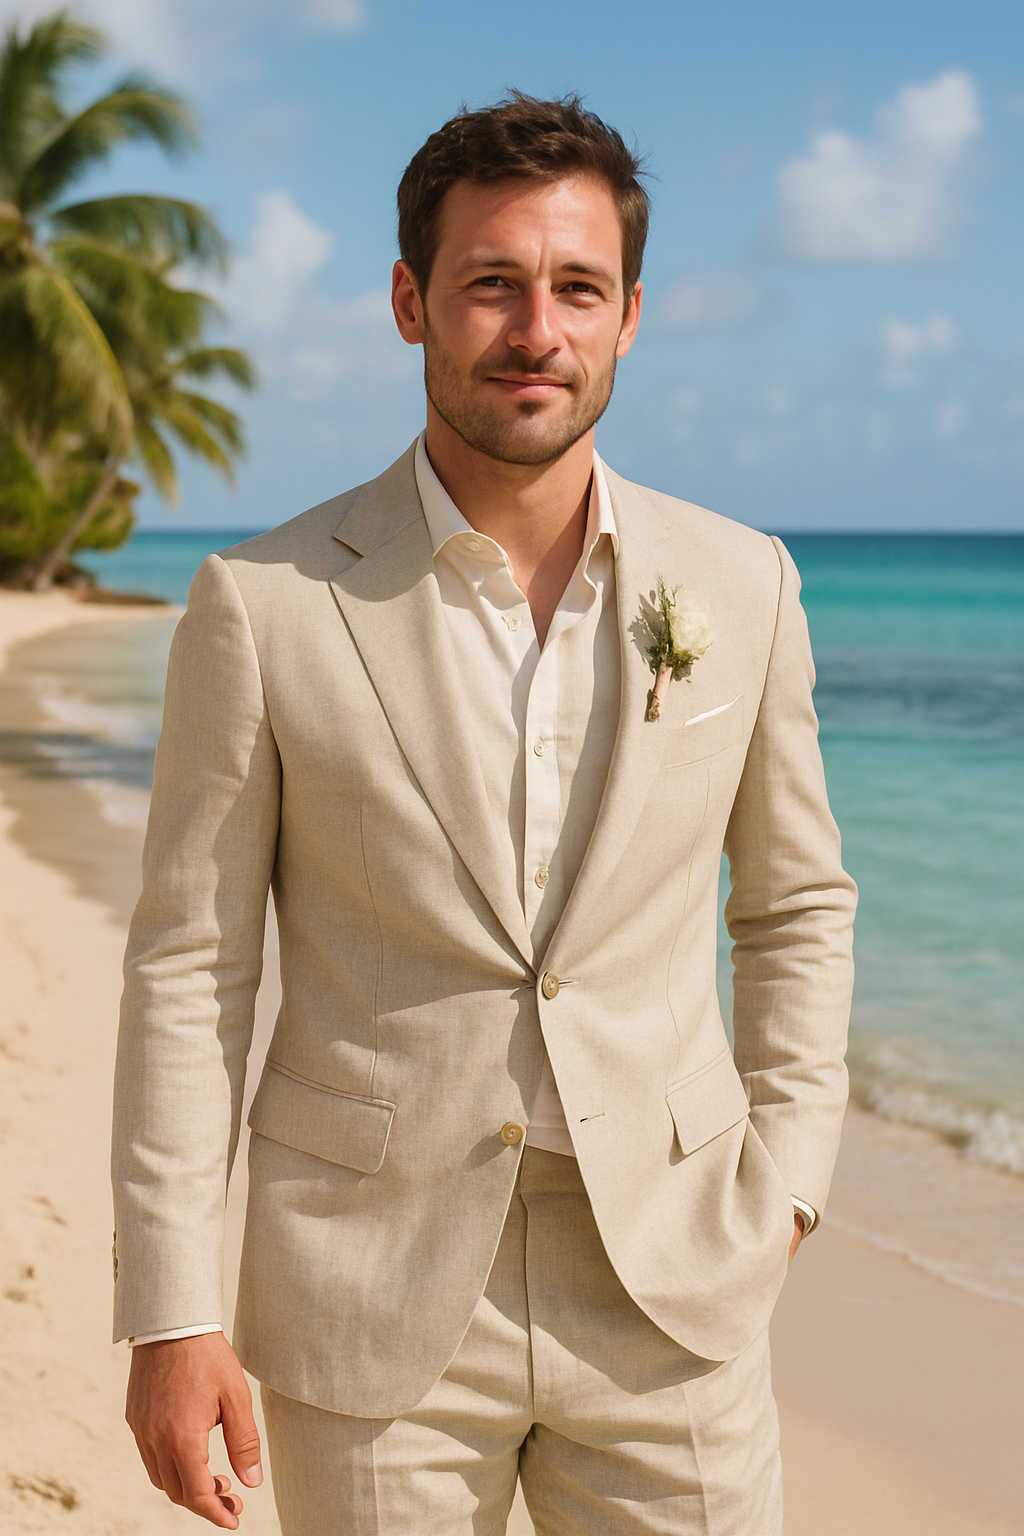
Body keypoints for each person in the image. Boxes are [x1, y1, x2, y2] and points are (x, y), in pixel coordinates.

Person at [112, 93, 856, 1535]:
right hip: (366, 1298)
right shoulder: (264, 607)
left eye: (578, 287)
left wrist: (792, 1181)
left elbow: (794, 905)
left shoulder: (744, 583)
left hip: (675, 1284)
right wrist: (171, 1308)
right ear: (411, 302)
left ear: (631, 314)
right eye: (491, 285)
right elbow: (191, 969)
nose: (537, 329)